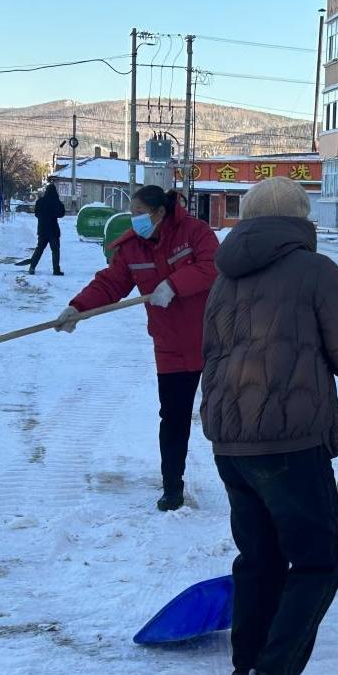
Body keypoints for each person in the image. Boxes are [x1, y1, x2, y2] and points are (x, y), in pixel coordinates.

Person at [201, 178, 338, 675]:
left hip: (231, 441)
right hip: (289, 441)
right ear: (301, 220)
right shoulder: (314, 270)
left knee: (260, 560)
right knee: (321, 559)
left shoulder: (225, 275)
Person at [55, 187, 218, 510]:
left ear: (160, 212)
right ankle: (172, 488)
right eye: (132, 213)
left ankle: (244, 483)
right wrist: (78, 308)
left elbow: (213, 266)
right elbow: (110, 283)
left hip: (214, 339)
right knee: (173, 418)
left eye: (140, 213)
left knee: (225, 414)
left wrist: (173, 284)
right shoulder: (131, 247)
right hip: (170, 345)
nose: (135, 219)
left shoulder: (194, 232)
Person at [29, 183, 66, 276]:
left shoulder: (40, 201)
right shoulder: (56, 201)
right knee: (55, 250)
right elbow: (61, 213)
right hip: (53, 230)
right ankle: (56, 270)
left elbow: (36, 214)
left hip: (42, 230)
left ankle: (32, 267)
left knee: (39, 249)